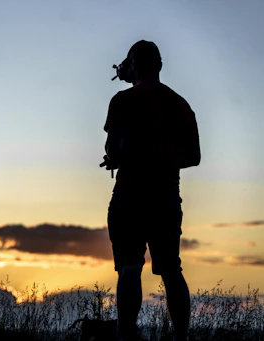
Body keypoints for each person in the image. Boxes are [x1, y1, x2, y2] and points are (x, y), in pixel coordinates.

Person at [100, 40, 201, 341]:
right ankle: (181, 338)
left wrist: (118, 158)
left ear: (133, 63)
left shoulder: (122, 100)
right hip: (167, 198)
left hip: (130, 195)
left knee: (130, 267)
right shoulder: (182, 105)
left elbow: (113, 148)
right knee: (172, 270)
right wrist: (163, 160)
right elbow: (194, 157)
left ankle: (126, 337)